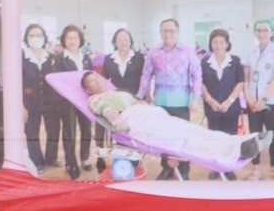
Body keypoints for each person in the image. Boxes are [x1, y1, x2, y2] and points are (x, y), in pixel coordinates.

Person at [81, 72, 270, 167]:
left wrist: (143, 103)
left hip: (151, 114)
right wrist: (117, 122)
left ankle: (243, 141)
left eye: (96, 77)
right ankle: (236, 151)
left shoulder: (116, 92)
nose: (96, 80)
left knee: (195, 130)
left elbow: (137, 101)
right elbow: (108, 111)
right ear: (88, 90)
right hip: (136, 122)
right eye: (91, 81)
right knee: (185, 140)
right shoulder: (96, 99)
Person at [141, 18, 203, 180]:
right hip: (161, 102)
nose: (168, 34)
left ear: (178, 32)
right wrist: (140, 96)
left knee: (182, 136)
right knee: (163, 137)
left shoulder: (188, 51)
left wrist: (196, 98)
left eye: (171, 30)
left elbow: (197, 75)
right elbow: (146, 75)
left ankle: (184, 168)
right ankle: (166, 168)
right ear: (160, 32)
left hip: (181, 102)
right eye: (164, 31)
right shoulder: (154, 52)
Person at [199, 29, 245, 180]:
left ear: (227, 44)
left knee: (230, 138)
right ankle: (216, 168)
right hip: (212, 107)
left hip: (231, 107)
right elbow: (201, 83)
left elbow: (240, 82)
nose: (218, 45)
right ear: (211, 44)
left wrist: (229, 101)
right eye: (215, 42)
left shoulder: (235, 61)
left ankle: (228, 168)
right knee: (214, 138)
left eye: (221, 42)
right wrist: (210, 100)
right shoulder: (204, 62)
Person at [46, 25, 91, 179]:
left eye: (75, 37)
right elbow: (56, 81)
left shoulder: (86, 57)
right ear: (64, 40)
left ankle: (85, 158)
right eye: (69, 38)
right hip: (67, 102)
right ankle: (71, 163)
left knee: (86, 130)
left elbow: (91, 77)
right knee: (69, 132)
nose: (72, 41)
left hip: (85, 100)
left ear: (80, 40)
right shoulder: (58, 59)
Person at [19, 24, 52, 171]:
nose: (35, 38)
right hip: (29, 102)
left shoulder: (50, 57)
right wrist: (21, 106)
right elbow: (16, 83)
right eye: (31, 35)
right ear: (26, 38)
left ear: (44, 38)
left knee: (53, 130)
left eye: (39, 35)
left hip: (49, 101)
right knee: (32, 132)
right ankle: (37, 161)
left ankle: (51, 158)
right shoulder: (21, 56)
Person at [246, 21, 274, 181]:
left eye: (265, 30)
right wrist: (248, 98)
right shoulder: (251, 52)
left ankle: (272, 171)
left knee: (272, 136)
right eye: (258, 30)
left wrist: (263, 100)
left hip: (270, 103)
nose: (261, 33)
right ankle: (255, 170)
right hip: (252, 103)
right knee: (254, 136)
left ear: (272, 33)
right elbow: (246, 77)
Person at [102, 28, 144, 98]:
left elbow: (145, 79)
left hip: (135, 98)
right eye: (120, 40)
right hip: (116, 98)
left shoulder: (139, 58)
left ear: (130, 41)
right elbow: (104, 80)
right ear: (115, 42)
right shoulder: (109, 59)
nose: (123, 42)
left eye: (126, 39)